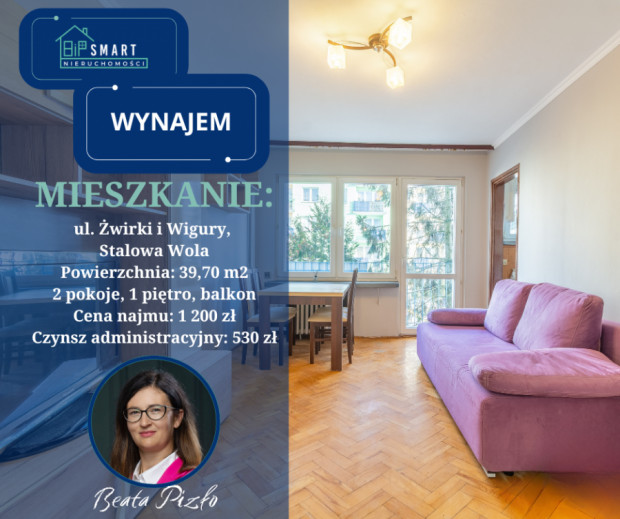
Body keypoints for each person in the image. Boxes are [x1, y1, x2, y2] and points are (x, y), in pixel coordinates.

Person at [110, 370, 203, 484]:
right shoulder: (121, 481)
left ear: (177, 418)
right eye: (135, 412)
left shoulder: (190, 481)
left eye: (155, 410)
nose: (144, 423)